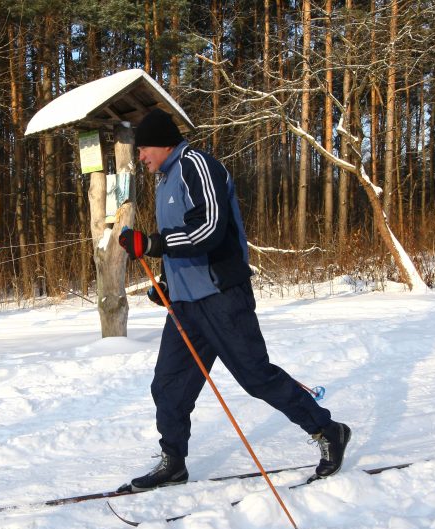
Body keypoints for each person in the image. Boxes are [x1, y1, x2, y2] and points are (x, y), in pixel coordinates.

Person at [118, 108, 350, 492]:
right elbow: (184, 243)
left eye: (143, 149)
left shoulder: (198, 165)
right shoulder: (164, 181)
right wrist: (167, 284)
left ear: (162, 142)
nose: (141, 157)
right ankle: (173, 461)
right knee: (168, 385)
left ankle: (329, 431)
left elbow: (209, 229)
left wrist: (155, 243)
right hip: (187, 307)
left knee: (257, 378)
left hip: (223, 299)